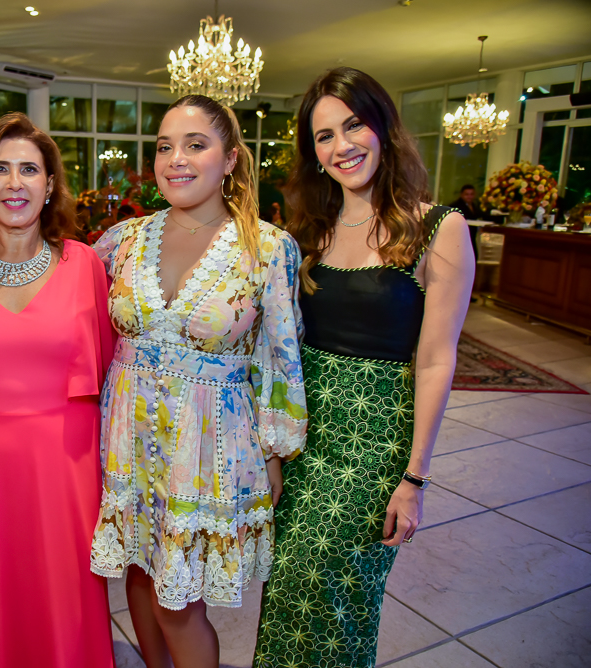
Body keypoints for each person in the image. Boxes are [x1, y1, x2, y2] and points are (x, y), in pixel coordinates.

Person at [254, 67, 473, 667]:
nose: (342, 146)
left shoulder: (439, 228)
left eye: (354, 126)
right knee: (287, 590)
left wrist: (415, 480)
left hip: (373, 442)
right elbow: (281, 346)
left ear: (383, 128)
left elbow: (436, 360)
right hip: (305, 437)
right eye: (324, 136)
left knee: (334, 592)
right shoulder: (307, 234)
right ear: (313, 154)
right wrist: (271, 450)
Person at [90, 95, 307, 668]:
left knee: (178, 602)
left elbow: (279, 357)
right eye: (165, 146)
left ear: (230, 159)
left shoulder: (267, 247)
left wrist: (275, 451)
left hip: (208, 444)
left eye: (195, 144)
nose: (176, 159)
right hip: (128, 437)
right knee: (139, 573)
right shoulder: (121, 241)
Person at [0, 112, 116, 667]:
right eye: (0, 169)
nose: (15, 183)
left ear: (50, 184)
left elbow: (109, 365)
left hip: (65, 466)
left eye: (29, 170)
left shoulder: (84, 264)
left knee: (65, 598)